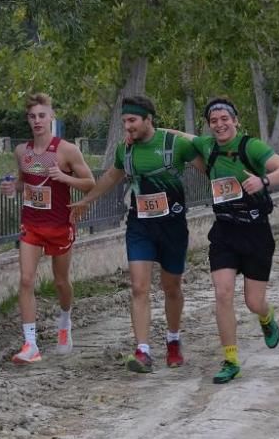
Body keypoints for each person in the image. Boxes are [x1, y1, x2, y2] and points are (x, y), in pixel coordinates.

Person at [68, 96, 203, 373]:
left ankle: (173, 341)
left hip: (173, 227)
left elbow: (207, 159)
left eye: (132, 121)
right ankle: (142, 351)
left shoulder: (173, 145)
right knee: (139, 287)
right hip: (139, 226)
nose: (127, 127)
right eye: (124, 122)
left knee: (171, 287)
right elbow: (110, 177)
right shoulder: (125, 151)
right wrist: (86, 201)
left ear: (147, 120)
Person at [175, 98, 279, 383]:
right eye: (213, 121)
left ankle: (266, 318)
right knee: (222, 293)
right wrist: (152, 129)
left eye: (224, 119)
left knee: (254, 302)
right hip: (225, 230)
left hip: (255, 231)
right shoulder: (207, 146)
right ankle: (230, 359)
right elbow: (185, 137)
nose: (219, 124)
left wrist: (263, 181)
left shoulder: (250, 146)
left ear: (235, 120)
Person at [0, 93, 95, 364]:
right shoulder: (22, 152)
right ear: (27, 120)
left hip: (59, 225)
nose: (37, 121)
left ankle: (64, 322)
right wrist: (12, 187)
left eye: (42, 115)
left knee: (60, 281)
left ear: (52, 116)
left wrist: (64, 177)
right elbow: (24, 182)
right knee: (26, 279)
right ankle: (30, 344)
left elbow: (90, 182)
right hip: (31, 224)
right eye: (32, 116)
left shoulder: (66, 150)